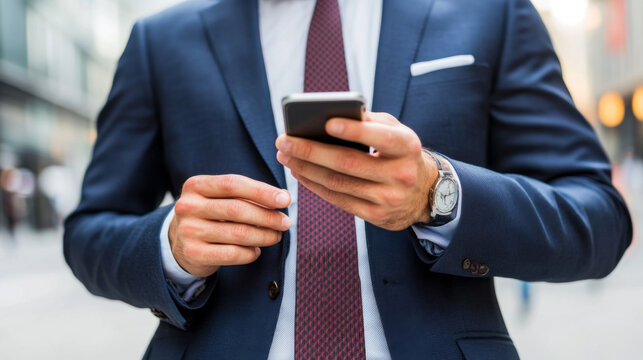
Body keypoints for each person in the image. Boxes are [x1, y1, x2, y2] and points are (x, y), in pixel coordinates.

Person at [64, 0, 633, 359]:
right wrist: (170, 245)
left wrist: (437, 193)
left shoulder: (491, 12)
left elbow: (598, 220)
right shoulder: (160, 42)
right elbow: (90, 231)